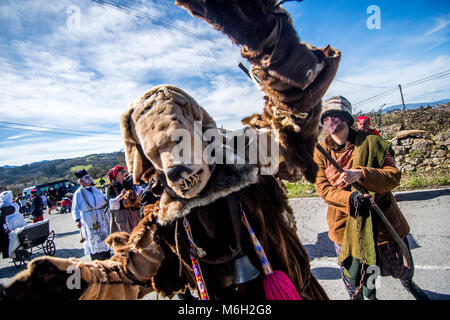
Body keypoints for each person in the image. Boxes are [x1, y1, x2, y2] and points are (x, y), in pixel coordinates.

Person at [313, 96, 429, 300]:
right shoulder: (320, 152)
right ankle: (365, 296)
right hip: (345, 222)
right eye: (327, 117)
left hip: (382, 219)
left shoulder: (372, 143)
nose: (332, 121)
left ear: (348, 119)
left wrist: (362, 174)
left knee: (400, 265)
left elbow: (393, 176)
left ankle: (409, 284)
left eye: (337, 116)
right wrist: (350, 200)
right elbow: (323, 188)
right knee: (356, 273)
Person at [71, 169, 111, 261]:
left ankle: (106, 255)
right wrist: (77, 220)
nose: (89, 179)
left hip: (101, 216)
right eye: (86, 178)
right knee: (94, 239)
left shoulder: (95, 189)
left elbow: (103, 199)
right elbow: (74, 208)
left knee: (104, 236)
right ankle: (97, 258)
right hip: (89, 219)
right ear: (81, 181)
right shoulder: (78, 193)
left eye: (89, 177)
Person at [106, 166, 143, 234]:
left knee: (137, 232)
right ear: (115, 175)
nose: (123, 173)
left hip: (133, 212)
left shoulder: (128, 184)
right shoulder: (111, 187)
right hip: (121, 214)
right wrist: (120, 195)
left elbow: (138, 191)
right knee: (125, 234)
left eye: (123, 171)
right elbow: (111, 203)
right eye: (121, 172)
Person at [0, 191, 16, 259]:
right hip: (8, 225)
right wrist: (5, 227)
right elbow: (2, 219)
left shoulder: (6, 207)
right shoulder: (4, 208)